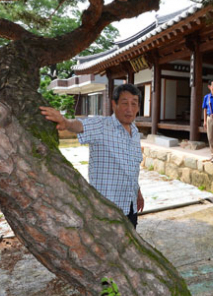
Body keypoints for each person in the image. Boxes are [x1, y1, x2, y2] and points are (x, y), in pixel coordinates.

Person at [40, 83, 145, 229]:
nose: (129, 109)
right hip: (107, 209)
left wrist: (138, 193)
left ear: (138, 108)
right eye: (125, 103)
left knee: (129, 245)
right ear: (114, 104)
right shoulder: (102, 126)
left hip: (130, 205)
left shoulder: (135, 133)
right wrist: (65, 122)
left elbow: (132, 168)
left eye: (134, 104)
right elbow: (81, 125)